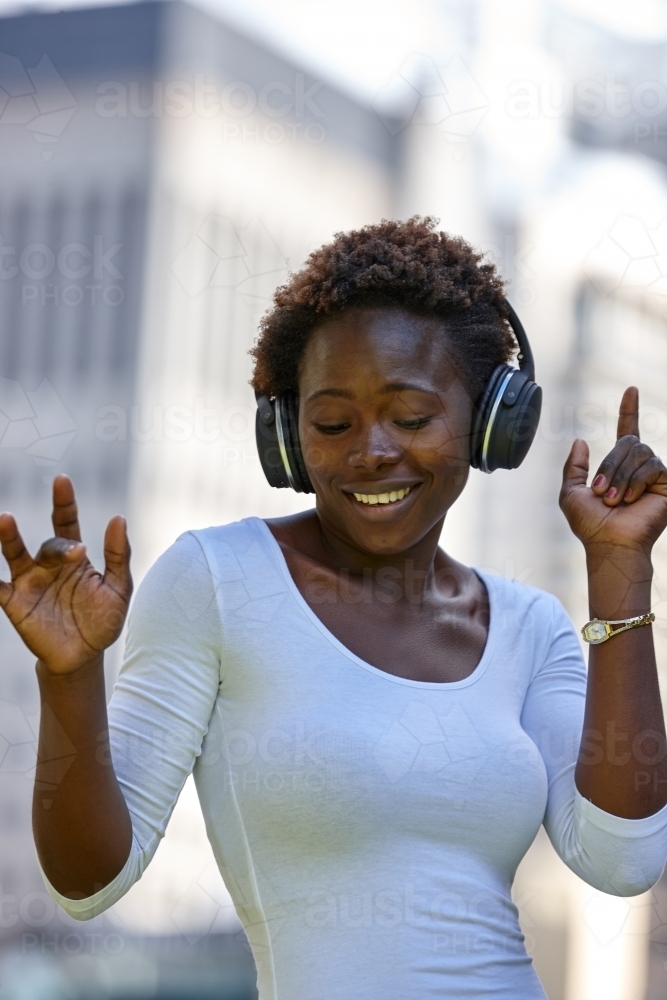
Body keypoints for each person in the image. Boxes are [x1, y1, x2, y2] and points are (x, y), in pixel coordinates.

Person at [1, 216, 667, 999]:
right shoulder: (218, 578)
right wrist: (69, 678)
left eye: (411, 418)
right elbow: (89, 884)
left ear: (491, 423)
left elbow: (621, 861)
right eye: (330, 423)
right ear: (286, 437)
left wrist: (619, 568)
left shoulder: (531, 628)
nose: (370, 450)